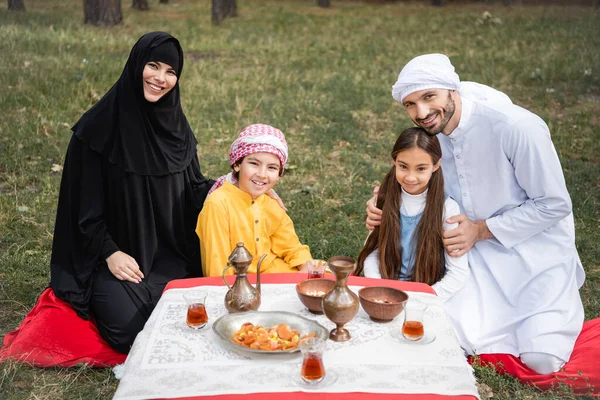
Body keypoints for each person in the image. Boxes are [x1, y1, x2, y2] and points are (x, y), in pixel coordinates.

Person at [366, 54, 585, 374]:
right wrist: (382, 202)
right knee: (433, 332)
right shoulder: (432, 130)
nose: (421, 113)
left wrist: (481, 230)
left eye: (429, 97)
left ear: (452, 90)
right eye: (410, 104)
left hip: (537, 255)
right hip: (473, 255)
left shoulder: (516, 127)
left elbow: (555, 204)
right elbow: (413, 173)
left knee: (543, 359)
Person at [49, 32, 214, 354]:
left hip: (172, 256)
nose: (160, 78)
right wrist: (110, 252)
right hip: (118, 259)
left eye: (171, 71)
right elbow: (81, 208)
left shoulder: (177, 129)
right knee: (130, 334)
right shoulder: (95, 130)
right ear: (135, 64)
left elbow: (194, 187)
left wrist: (237, 188)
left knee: (196, 317)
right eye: (153, 65)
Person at [355, 127, 469, 303]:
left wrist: (422, 300)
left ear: (436, 165)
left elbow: (458, 272)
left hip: (426, 294)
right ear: (395, 161)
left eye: (421, 169)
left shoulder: (447, 209)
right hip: (384, 290)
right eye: (403, 166)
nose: (410, 177)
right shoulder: (384, 199)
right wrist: (379, 290)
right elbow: (372, 252)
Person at [196, 124, 312, 277]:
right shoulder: (218, 205)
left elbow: (292, 247)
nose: (262, 174)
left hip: (276, 275)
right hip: (241, 287)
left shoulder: (269, 202)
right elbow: (218, 270)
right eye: (254, 164)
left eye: (272, 167)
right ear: (237, 164)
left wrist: (306, 267)